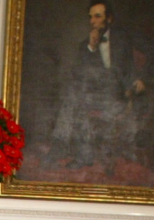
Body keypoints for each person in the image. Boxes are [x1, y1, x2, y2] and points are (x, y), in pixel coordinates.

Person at [62, 1, 146, 167]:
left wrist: (137, 80)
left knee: (89, 106)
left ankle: (107, 156)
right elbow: (78, 75)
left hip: (118, 95)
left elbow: (130, 68)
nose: (92, 21)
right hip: (93, 95)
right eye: (90, 17)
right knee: (74, 102)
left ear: (109, 19)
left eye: (97, 16)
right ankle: (83, 156)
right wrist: (91, 47)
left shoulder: (123, 40)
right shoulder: (84, 46)